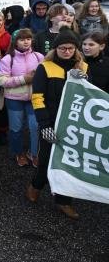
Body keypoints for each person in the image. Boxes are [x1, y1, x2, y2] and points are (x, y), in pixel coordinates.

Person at [26, 29, 88, 219]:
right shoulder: (45, 67)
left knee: (68, 164)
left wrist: (86, 81)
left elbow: (88, 97)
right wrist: (44, 125)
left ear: (76, 49)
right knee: (45, 160)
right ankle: (36, 185)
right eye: (62, 48)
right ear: (55, 49)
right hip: (50, 122)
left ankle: (64, 201)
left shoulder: (83, 67)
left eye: (70, 48)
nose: (67, 51)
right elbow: (37, 97)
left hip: (73, 124)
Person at [0, 29, 44, 167]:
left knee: (35, 126)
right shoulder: (8, 59)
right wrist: (24, 79)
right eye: (22, 39)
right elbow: (1, 80)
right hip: (14, 98)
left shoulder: (39, 57)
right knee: (16, 128)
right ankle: (19, 153)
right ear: (15, 41)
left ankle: (34, 153)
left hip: (34, 98)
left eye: (28, 39)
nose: (26, 41)